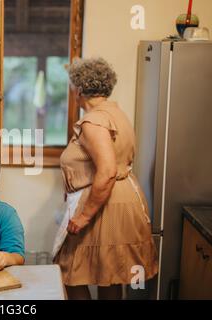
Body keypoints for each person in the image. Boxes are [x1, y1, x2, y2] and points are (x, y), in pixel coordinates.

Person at [52, 58, 158, 300]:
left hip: (104, 205)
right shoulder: (116, 113)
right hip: (122, 199)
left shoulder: (93, 122)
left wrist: (84, 216)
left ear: (78, 90)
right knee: (109, 273)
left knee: (69, 271)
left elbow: (107, 170)